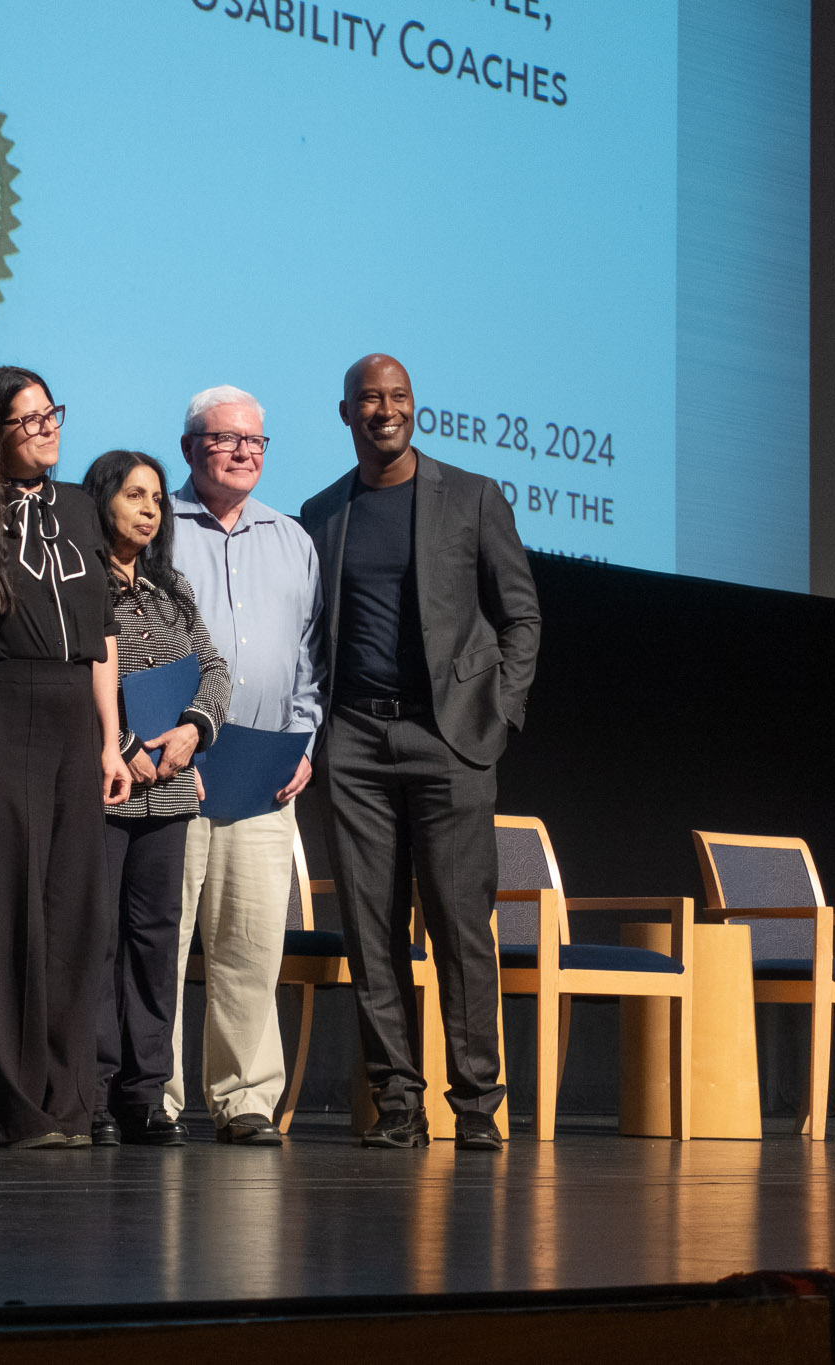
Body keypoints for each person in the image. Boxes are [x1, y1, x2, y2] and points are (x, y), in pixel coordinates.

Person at [298, 353, 541, 1151]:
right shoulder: (322, 511)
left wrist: (498, 713)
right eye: (369, 399)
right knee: (371, 929)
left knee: (460, 925)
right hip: (358, 741)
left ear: (415, 407)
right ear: (346, 415)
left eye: (398, 396)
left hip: (450, 739)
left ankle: (477, 1104)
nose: (385, 409)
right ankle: (398, 1101)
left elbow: (520, 618)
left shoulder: (471, 496)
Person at [0, 367, 131, 1148]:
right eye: (27, 420)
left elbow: (102, 635)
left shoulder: (81, 507)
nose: (47, 428)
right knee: (2, 909)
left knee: (73, 914)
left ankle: (65, 1099)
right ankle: (3, 1101)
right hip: (0, 702)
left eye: (51, 413)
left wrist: (109, 737)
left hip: (71, 722)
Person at [163, 385, 324, 1145]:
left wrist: (303, 745)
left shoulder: (293, 540)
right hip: (173, 767)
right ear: (191, 447)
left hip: (265, 777)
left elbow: (307, 665)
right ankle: (150, 1097)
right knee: (160, 941)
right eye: (226, 439)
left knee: (252, 946)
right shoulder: (156, 525)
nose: (243, 452)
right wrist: (163, 739)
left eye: (255, 441)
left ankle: (245, 1098)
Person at [82, 450, 233, 1147]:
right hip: (107, 785)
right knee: (99, 940)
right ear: (102, 500)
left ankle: (145, 1093)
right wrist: (133, 740)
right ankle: (95, 1090)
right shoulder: (82, 581)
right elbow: (79, 671)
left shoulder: (169, 588)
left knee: (154, 944)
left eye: (155, 498)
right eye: (134, 495)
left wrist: (193, 730)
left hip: (171, 793)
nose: (150, 508)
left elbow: (213, 666)